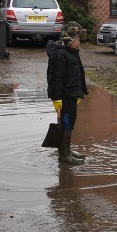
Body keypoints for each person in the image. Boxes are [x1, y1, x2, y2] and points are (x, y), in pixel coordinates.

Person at [46, 23, 88, 165]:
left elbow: (78, 74)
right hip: (64, 96)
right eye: (77, 39)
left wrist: (79, 92)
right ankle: (64, 154)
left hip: (71, 94)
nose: (79, 42)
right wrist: (56, 98)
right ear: (69, 39)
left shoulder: (72, 52)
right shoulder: (59, 54)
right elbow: (55, 78)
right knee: (65, 123)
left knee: (70, 122)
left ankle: (67, 150)